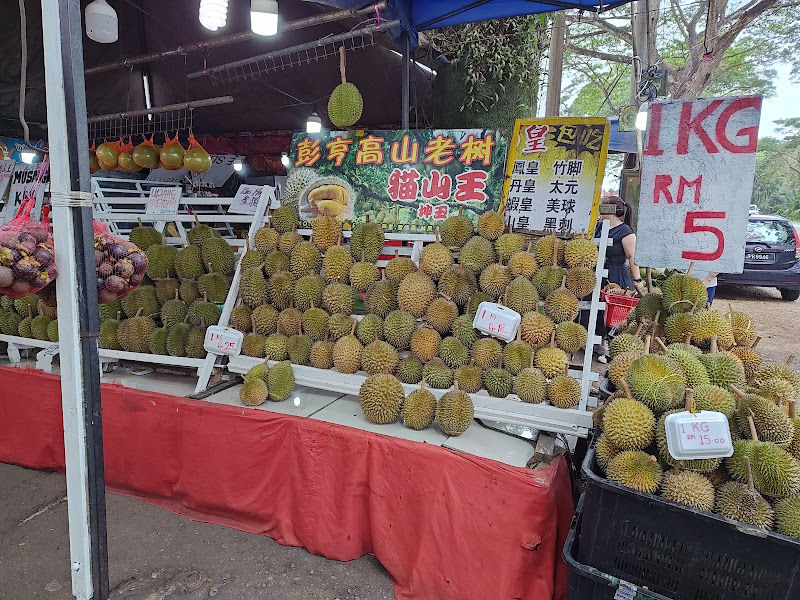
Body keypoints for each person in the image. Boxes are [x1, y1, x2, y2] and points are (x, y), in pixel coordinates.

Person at [595, 195, 644, 361]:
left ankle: (611, 349)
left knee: (613, 312)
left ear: (609, 209)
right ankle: (598, 343)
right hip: (598, 273)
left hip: (615, 275)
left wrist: (637, 280)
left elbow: (632, 257)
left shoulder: (626, 231)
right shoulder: (600, 227)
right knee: (597, 310)